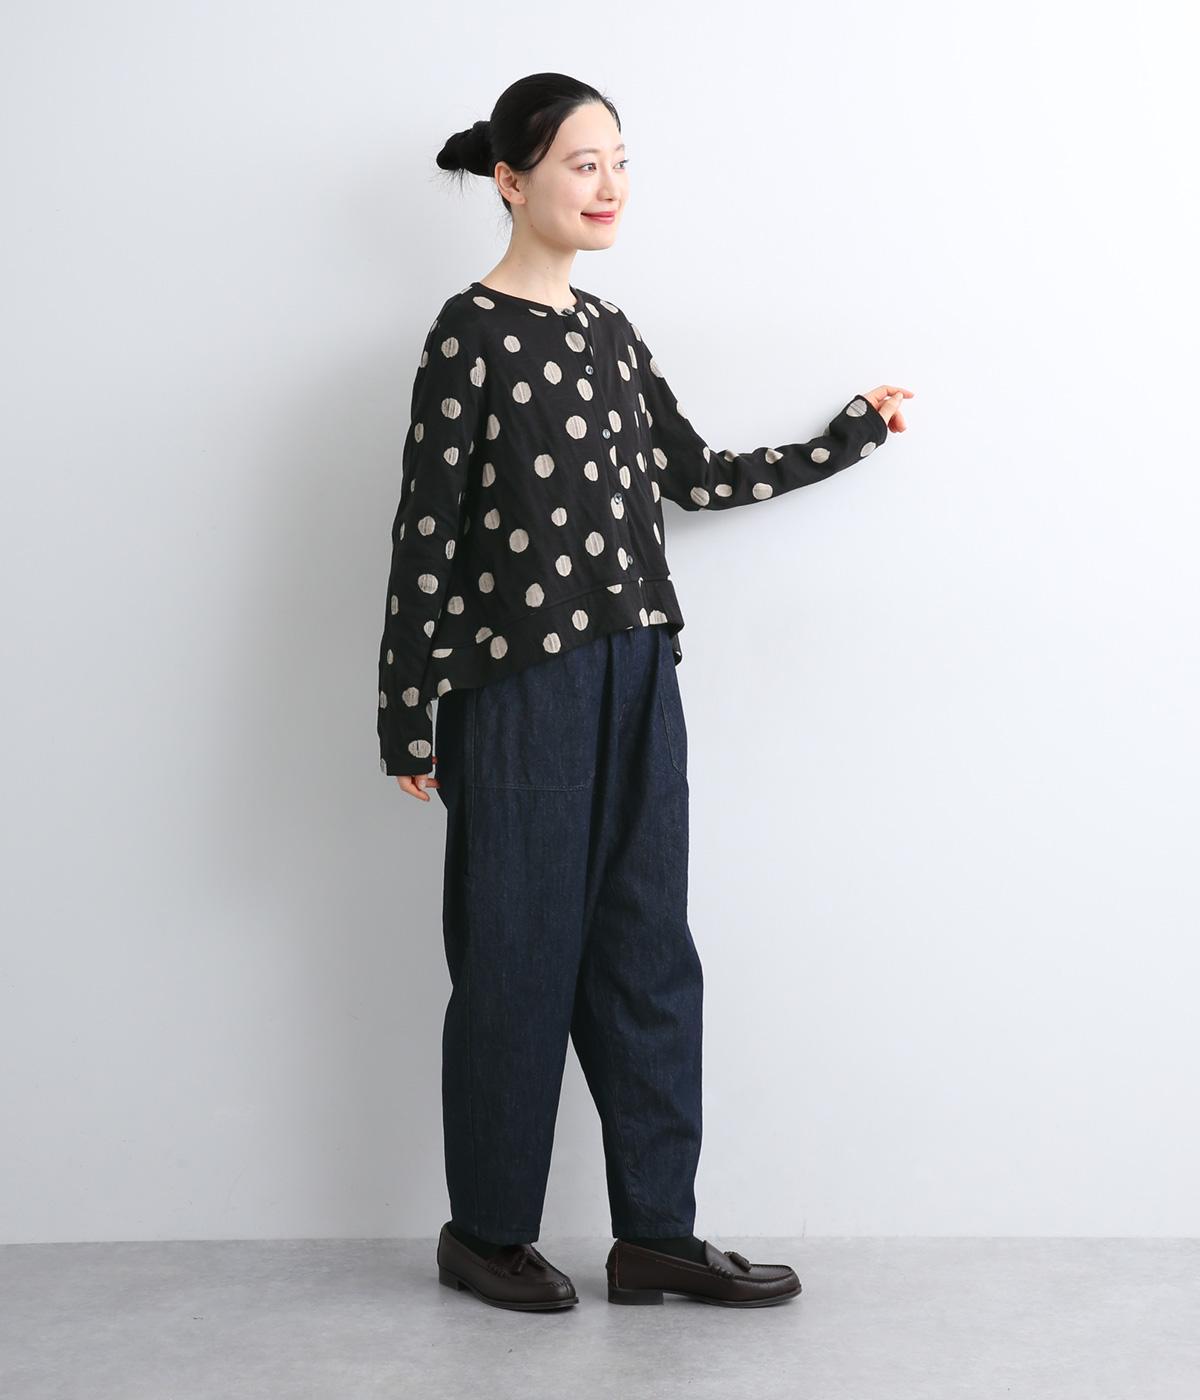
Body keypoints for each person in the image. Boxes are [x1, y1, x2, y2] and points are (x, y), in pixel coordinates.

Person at [376, 73, 913, 1313]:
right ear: (511, 181)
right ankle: (487, 1232)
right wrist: (406, 711)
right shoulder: (468, 335)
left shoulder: (611, 332)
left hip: (639, 676)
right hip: (518, 684)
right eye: (583, 163)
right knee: (516, 954)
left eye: (620, 160)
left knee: (648, 951)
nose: (610, 185)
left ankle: (656, 1233)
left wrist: (847, 435)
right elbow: (426, 534)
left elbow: (696, 473)